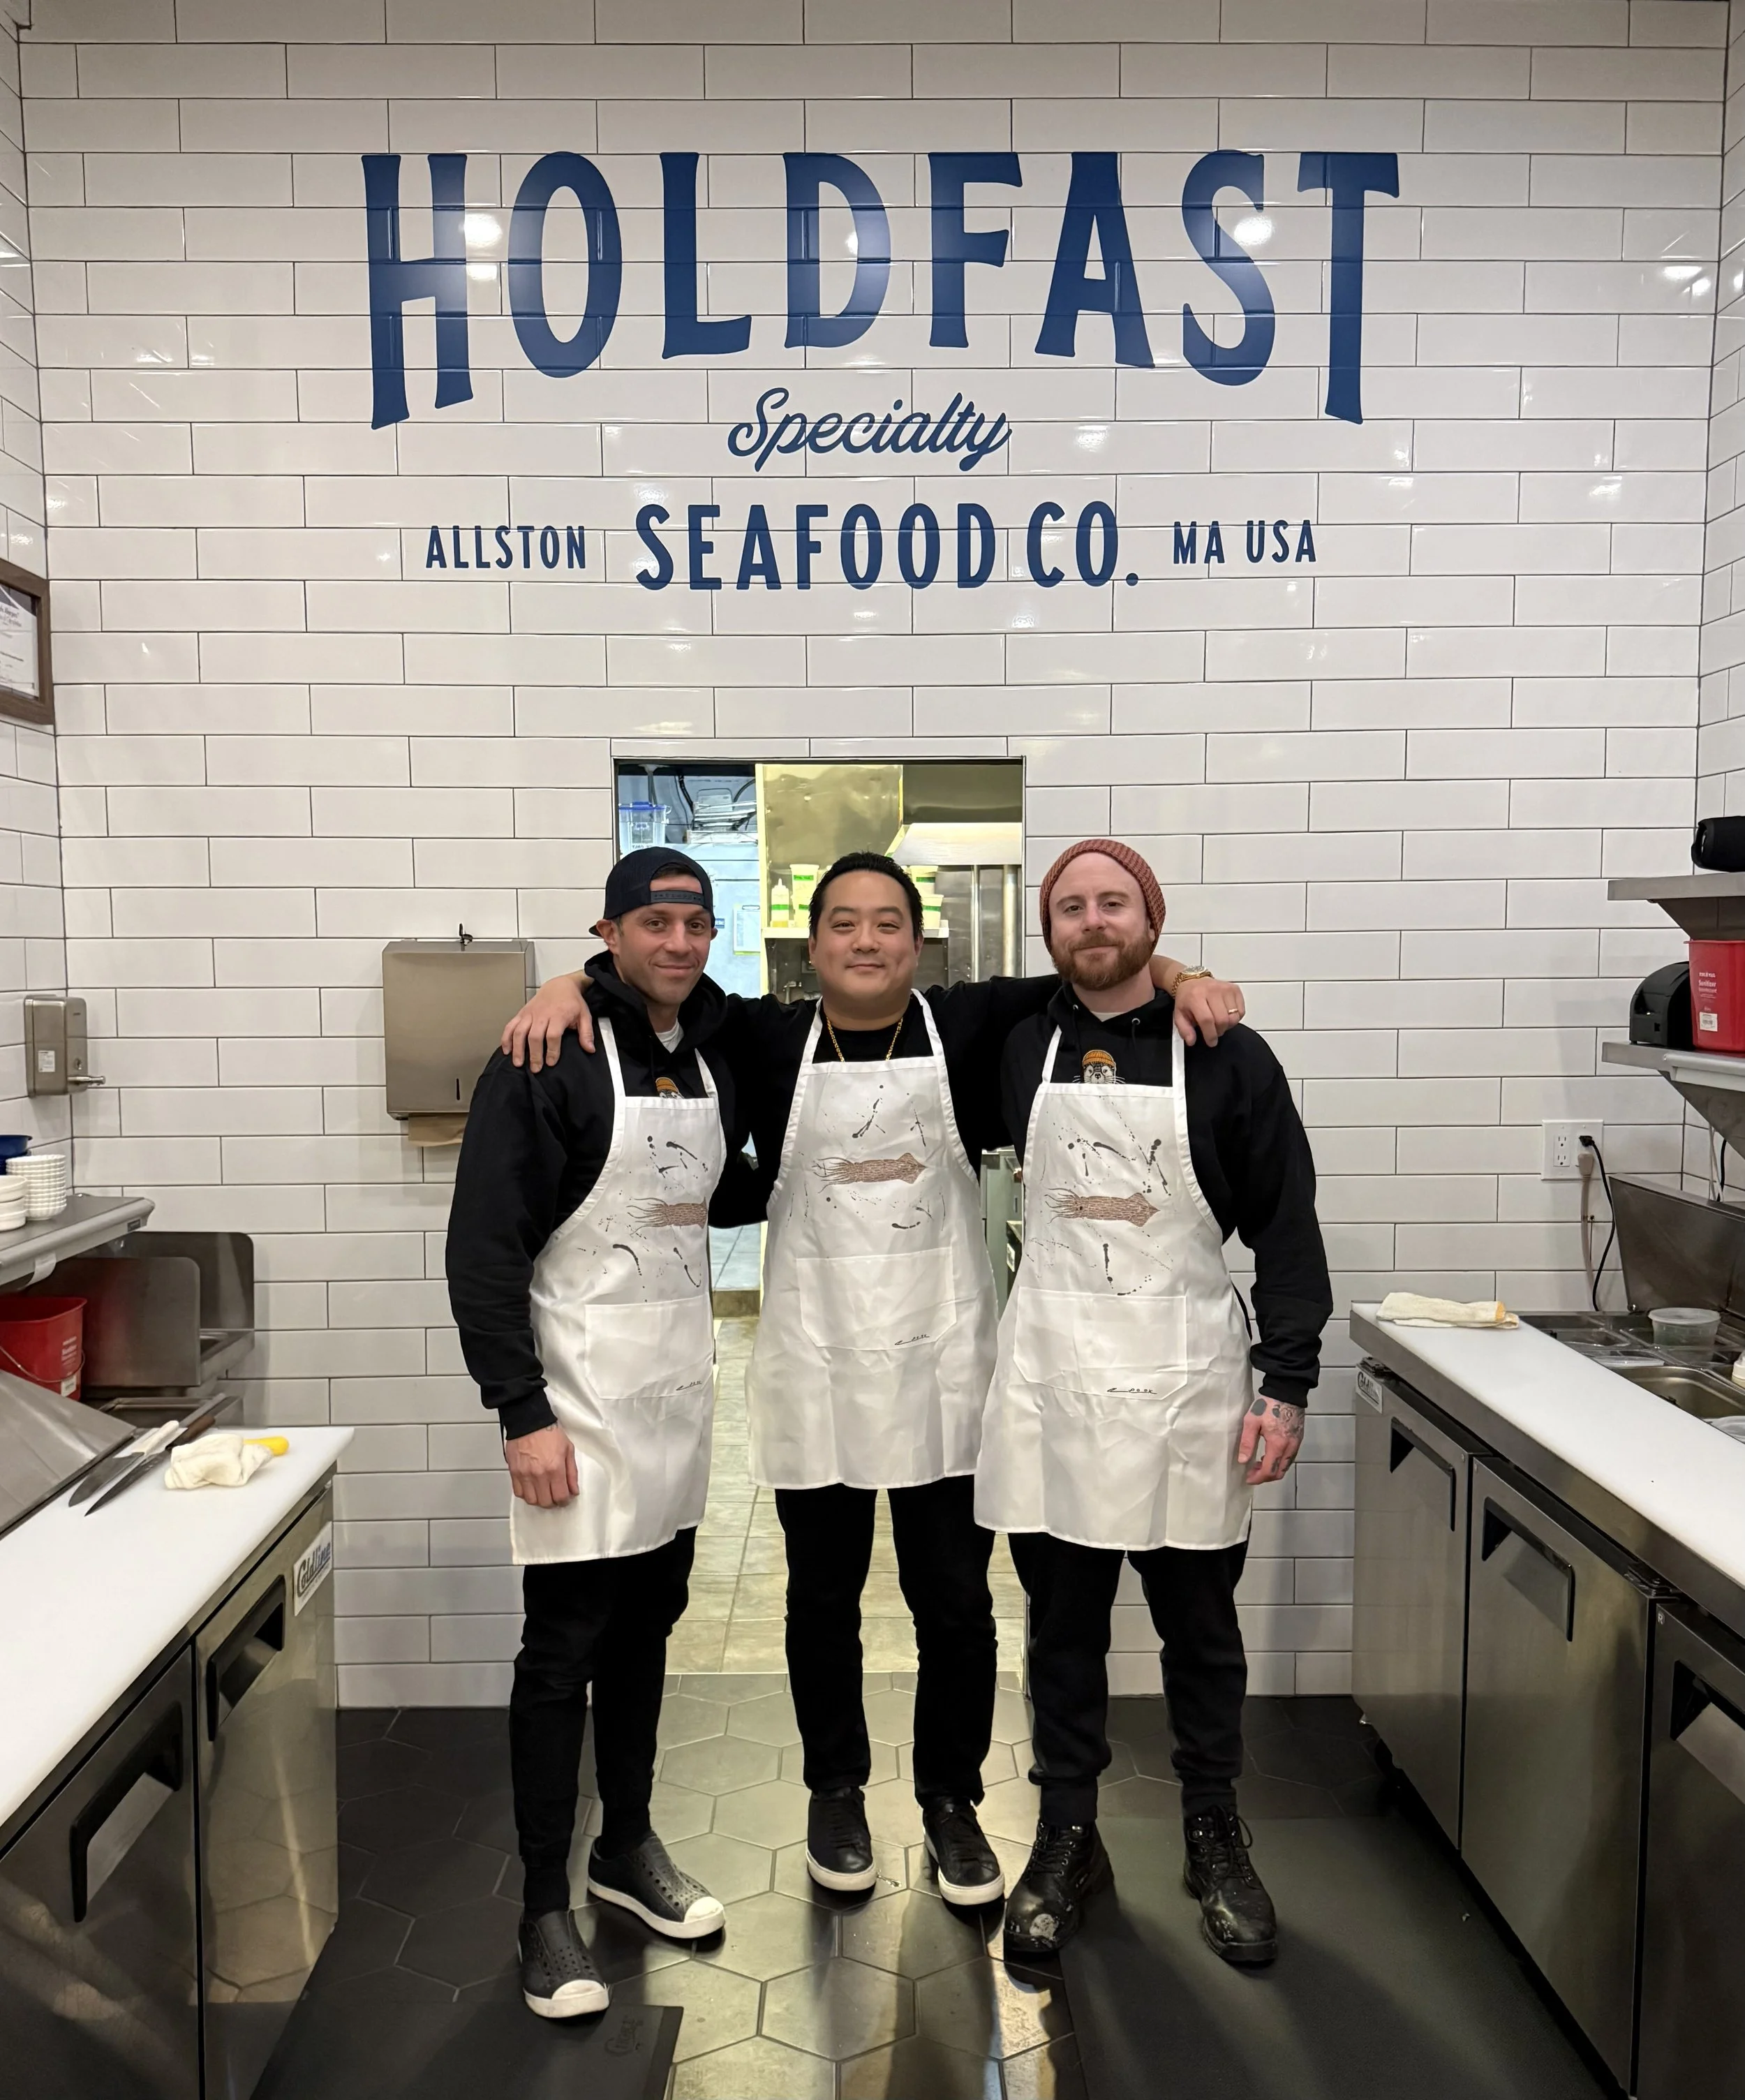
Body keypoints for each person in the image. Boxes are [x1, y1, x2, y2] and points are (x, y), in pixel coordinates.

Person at [500, 852, 1247, 1911]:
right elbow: (643, 982)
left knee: (954, 1605)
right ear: (814, 947)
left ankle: (951, 1800)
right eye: (844, 924)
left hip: (944, 1367)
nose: (866, 941)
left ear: (916, 941)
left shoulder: (972, 1025)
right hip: (818, 1366)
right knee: (823, 1600)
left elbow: (1096, 969)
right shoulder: (759, 1038)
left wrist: (1185, 974)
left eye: (887, 923)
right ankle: (835, 1792)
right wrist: (563, 981)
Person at [978, 839, 1332, 1969]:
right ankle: (1067, 1834)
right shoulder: (1016, 1037)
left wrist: (1288, 1381)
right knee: (1063, 1632)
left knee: (1202, 1631)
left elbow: (1287, 1229)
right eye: (1072, 905)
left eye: (1114, 904)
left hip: (1189, 1384)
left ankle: (1212, 1831)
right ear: (1050, 929)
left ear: (1150, 916)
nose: (1093, 921)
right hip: (1058, 1384)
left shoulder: (1227, 1055)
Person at [446, 848, 760, 2020]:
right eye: (654, 923)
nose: (679, 942)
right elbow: (481, 1250)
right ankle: (541, 1908)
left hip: (674, 1398)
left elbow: (715, 1191)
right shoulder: (544, 1054)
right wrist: (518, 1413)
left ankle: (623, 1850)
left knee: (648, 1631)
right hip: (574, 1404)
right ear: (611, 932)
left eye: (696, 923)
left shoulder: (713, 1043)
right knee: (562, 1651)